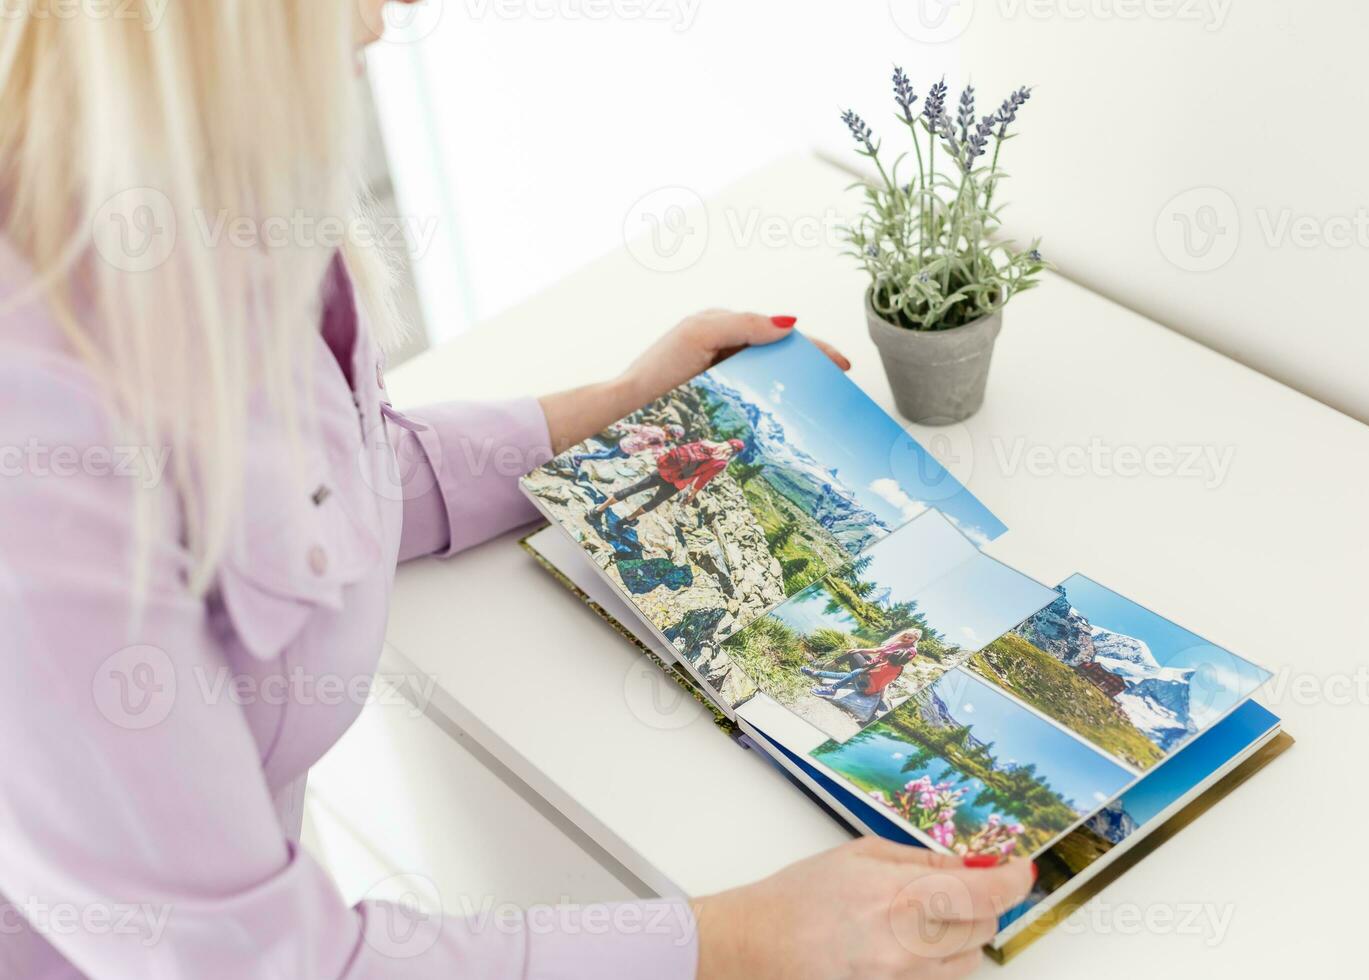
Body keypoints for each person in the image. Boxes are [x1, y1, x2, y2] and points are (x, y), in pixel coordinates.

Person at [0, 3, 1033, 978]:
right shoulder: (36, 457)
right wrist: (747, 935)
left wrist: (620, 404)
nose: (397, 10)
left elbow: (320, 489)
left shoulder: (198, 210)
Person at [592, 437, 744, 525]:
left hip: (665, 471)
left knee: (635, 488)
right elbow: (703, 479)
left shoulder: (706, 443)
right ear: (734, 454)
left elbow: (681, 450)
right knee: (654, 502)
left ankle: (599, 509)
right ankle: (628, 520)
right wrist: (692, 493)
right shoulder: (721, 462)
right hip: (677, 483)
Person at [803, 629, 922, 699]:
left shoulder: (910, 651)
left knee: (854, 670)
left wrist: (870, 670)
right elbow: (877, 650)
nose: (906, 638)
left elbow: (894, 664)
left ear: (915, 640)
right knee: (854, 656)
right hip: (874, 664)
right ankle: (816, 671)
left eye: (909, 638)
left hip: (877, 668)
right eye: (905, 636)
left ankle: (821, 670)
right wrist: (859, 650)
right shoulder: (897, 643)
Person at [571, 421, 685, 469]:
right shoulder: (660, 440)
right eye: (673, 438)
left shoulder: (655, 429)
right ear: (671, 435)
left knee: (623, 456)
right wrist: (661, 461)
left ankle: (601, 450)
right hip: (628, 448)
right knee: (607, 457)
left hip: (625, 442)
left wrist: (624, 426)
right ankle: (579, 457)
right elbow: (657, 453)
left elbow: (638, 428)